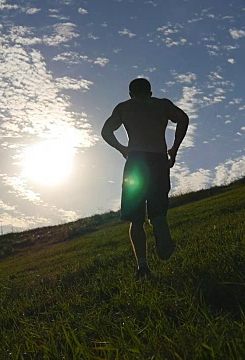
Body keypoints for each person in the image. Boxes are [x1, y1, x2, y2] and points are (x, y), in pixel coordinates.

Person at [101, 78, 189, 279]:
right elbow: (183, 118)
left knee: (136, 219)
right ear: (150, 92)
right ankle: (158, 223)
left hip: (136, 162)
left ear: (131, 94)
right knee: (158, 211)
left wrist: (122, 148)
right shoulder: (162, 104)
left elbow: (106, 131)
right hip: (158, 160)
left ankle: (143, 267)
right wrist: (174, 149)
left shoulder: (124, 108)